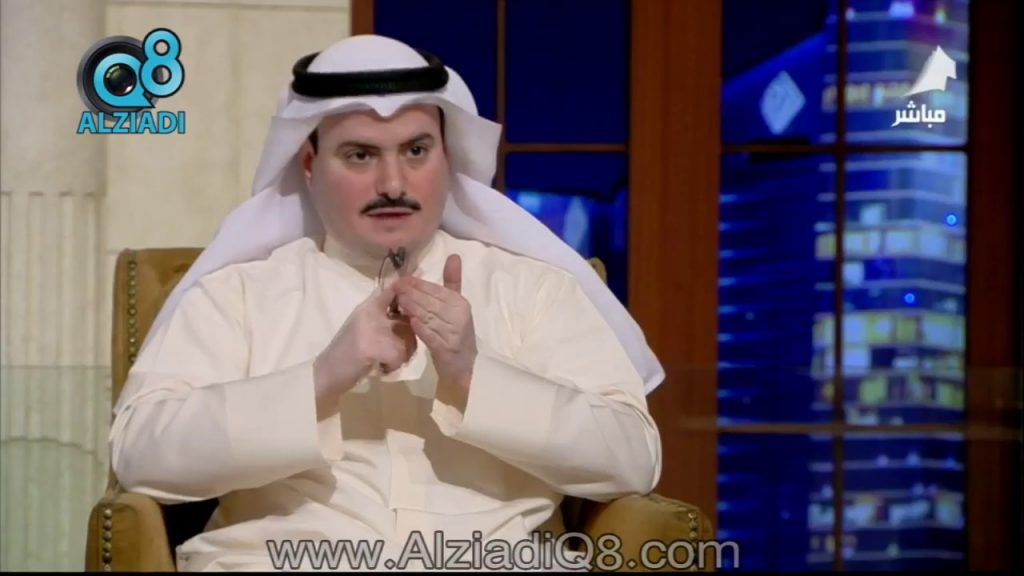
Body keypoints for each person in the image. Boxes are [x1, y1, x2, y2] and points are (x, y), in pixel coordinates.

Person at [108, 34, 665, 571]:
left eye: (416, 151)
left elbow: (633, 458)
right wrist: (322, 378)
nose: (393, 182)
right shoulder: (239, 294)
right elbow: (140, 456)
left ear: (446, 157)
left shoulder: (532, 289)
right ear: (309, 164)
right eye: (360, 155)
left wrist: (473, 375)